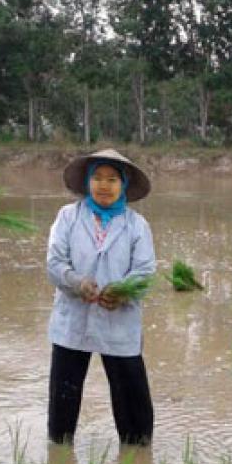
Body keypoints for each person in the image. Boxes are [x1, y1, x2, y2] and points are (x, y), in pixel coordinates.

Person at [46, 149, 156, 445]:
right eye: (97, 177)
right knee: (62, 406)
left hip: (119, 319)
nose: (103, 185)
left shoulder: (137, 225)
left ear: (123, 185)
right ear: (87, 181)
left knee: (133, 407)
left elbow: (145, 271)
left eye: (111, 179)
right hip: (73, 319)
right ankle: (60, 455)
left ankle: (137, 454)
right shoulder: (67, 217)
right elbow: (55, 263)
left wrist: (122, 292)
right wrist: (77, 283)